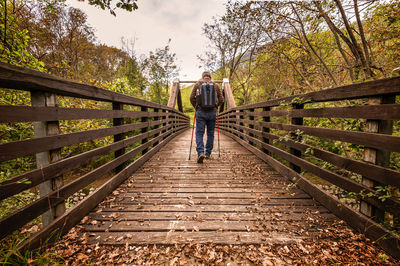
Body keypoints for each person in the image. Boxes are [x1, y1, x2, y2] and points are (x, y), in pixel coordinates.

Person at [190, 71, 224, 163]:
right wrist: (216, 106)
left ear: (203, 77)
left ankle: (200, 152)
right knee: (210, 133)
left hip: (201, 112)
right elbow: (221, 99)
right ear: (210, 77)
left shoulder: (198, 85)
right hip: (212, 112)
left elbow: (191, 98)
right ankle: (208, 153)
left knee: (199, 133)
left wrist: (196, 107)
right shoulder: (216, 85)